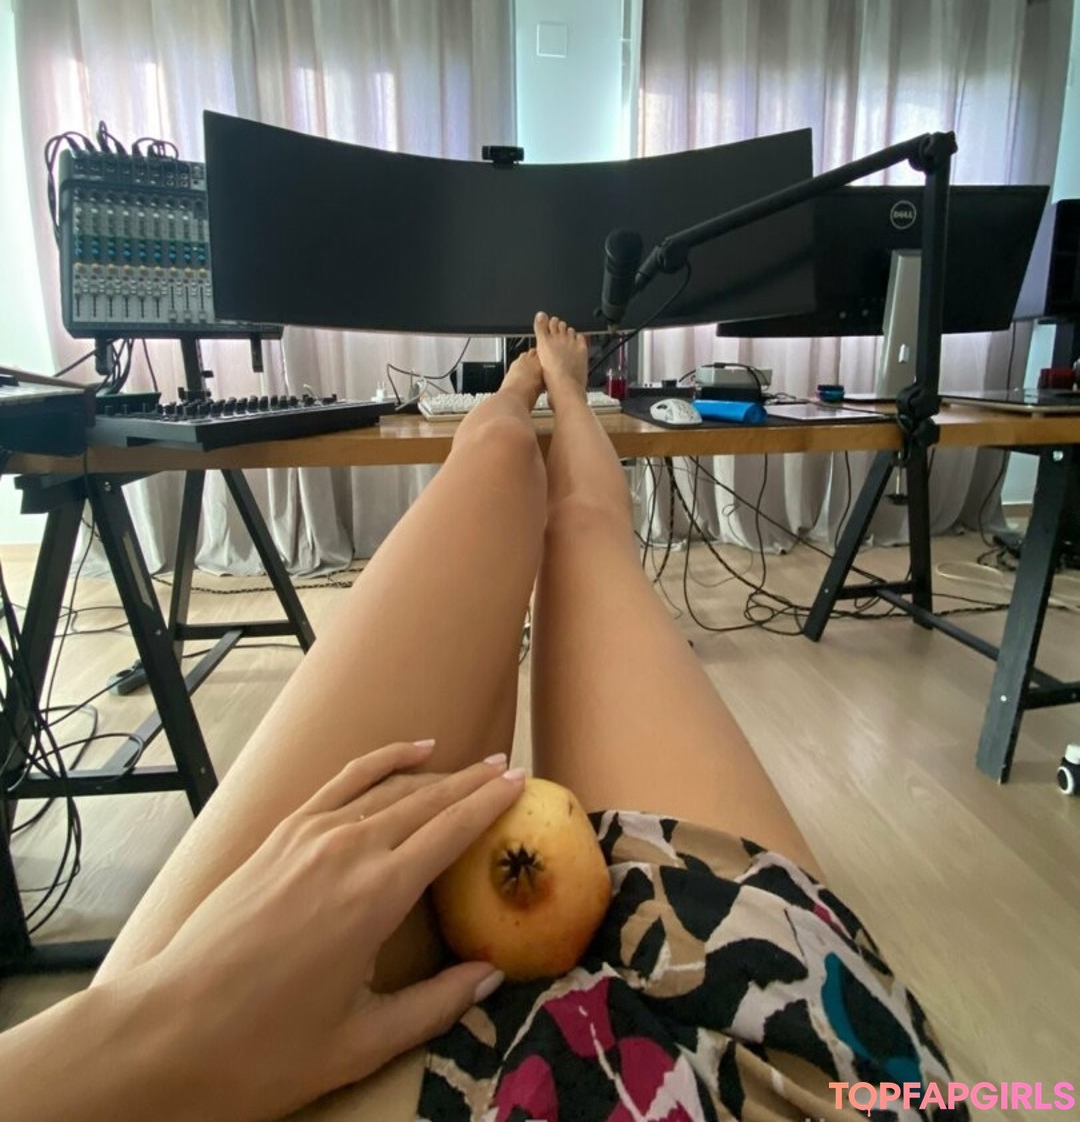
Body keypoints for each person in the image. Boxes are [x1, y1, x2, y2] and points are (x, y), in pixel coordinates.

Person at [0, 313, 961, 1122]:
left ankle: (518, 398)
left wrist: (158, 1031)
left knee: (498, 458)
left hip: (155, 1080)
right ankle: (562, 396)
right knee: (582, 529)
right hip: (770, 1047)